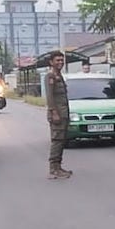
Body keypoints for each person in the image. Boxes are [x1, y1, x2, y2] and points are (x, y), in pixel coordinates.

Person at [45, 51, 73, 179]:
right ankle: (53, 169)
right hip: (57, 114)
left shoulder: (59, 75)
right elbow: (50, 97)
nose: (60, 62)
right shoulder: (50, 76)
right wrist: (54, 112)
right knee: (57, 141)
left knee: (62, 141)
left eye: (62, 60)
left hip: (63, 113)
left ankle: (58, 167)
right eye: (57, 60)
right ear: (51, 62)